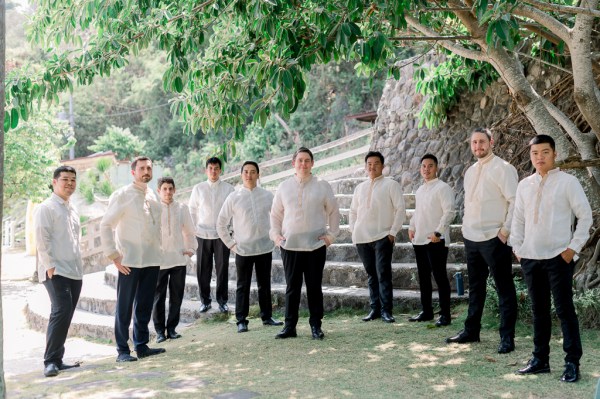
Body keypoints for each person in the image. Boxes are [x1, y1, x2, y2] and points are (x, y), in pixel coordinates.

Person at [512, 135, 592, 383]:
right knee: (539, 312)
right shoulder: (524, 185)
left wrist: (572, 249)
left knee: (565, 310)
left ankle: (572, 363)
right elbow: (518, 220)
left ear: (554, 154)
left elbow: (585, 217)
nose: (539, 157)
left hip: (559, 258)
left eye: (545, 152)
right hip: (531, 258)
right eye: (535, 153)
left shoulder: (568, 182)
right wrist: (518, 247)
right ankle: (540, 360)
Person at [446, 128, 518, 354]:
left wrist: (505, 231)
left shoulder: (504, 169)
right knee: (476, 288)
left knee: (504, 288)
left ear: (491, 142)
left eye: (482, 142)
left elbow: (516, 202)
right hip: (472, 238)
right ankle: (472, 331)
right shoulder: (469, 171)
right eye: (474, 142)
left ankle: (507, 338)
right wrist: (466, 228)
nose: (478, 146)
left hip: (495, 238)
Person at [100, 156, 166, 362]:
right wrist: (114, 255)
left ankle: (141, 345)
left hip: (152, 259)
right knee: (125, 306)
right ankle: (122, 350)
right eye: (142, 168)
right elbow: (105, 225)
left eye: (149, 168)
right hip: (129, 261)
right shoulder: (122, 195)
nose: (146, 171)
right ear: (133, 172)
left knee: (145, 305)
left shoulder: (154, 195)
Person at [270, 147, 340, 339]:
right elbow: (276, 214)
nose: (303, 164)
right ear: (293, 163)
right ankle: (289, 327)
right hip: (290, 246)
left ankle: (316, 326)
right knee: (292, 288)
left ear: (312, 163)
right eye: (300, 160)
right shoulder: (284, 186)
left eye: (307, 160)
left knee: (314, 287)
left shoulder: (322, 185)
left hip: (315, 246)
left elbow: (334, 211)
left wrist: (331, 236)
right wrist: (276, 236)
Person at [217, 161, 283, 333]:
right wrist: (231, 244)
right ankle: (241, 320)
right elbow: (221, 223)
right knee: (242, 285)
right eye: (246, 172)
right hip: (243, 250)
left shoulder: (268, 196)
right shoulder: (234, 197)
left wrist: (277, 237)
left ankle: (267, 317)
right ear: (241, 175)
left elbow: (279, 217)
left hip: (264, 247)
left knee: (265, 284)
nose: (249, 175)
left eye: (253, 172)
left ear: (258, 174)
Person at [34, 166, 83, 377]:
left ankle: (58, 358)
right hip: (55, 270)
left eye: (73, 180)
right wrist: (50, 265)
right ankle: (50, 361)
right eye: (65, 179)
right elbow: (41, 237)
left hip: (74, 270)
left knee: (66, 314)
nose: (69, 183)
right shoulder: (46, 207)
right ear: (54, 182)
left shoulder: (72, 208)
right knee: (60, 310)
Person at [349, 151, 405, 323]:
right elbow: (352, 212)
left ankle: (386, 310)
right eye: (369, 164)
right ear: (366, 166)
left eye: (376, 163)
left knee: (383, 273)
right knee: (372, 274)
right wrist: (354, 231)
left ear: (383, 166)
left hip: (383, 236)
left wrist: (392, 232)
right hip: (362, 238)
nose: (372, 167)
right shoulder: (360, 188)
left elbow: (400, 209)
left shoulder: (391, 185)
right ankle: (374, 309)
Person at [408, 154, 455, 327]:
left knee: (440, 277)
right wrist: (412, 227)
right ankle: (426, 311)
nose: (426, 169)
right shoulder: (420, 190)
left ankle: (445, 315)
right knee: (424, 278)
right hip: (420, 240)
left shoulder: (443, 188)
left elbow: (449, 212)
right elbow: (418, 212)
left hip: (436, 240)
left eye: (430, 166)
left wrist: (438, 232)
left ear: (436, 168)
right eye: (424, 166)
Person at [152, 177, 197, 343]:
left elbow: (189, 232)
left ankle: (171, 329)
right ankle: (159, 332)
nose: (168, 192)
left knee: (176, 296)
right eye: (164, 189)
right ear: (159, 191)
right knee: (158, 297)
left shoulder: (182, 208)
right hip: (160, 261)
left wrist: (190, 251)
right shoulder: (154, 208)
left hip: (178, 260)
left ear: (174, 190)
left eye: (170, 188)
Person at [189, 157, 235, 313]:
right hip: (202, 234)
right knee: (203, 269)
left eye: (216, 168)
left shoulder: (229, 189)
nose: (213, 171)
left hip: (222, 235)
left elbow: (233, 212)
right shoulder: (198, 188)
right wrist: (194, 229)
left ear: (220, 170)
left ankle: (222, 301)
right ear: (206, 170)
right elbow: (192, 210)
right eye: (210, 168)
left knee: (222, 269)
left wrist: (232, 232)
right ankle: (205, 300)